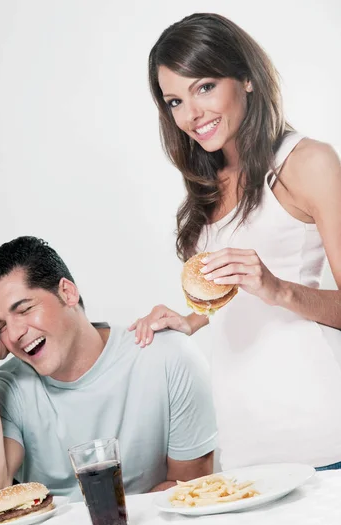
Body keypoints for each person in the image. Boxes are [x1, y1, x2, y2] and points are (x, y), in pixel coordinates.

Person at [130, 13, 341, 471]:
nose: (191, 114)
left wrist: (279, 289)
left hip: (320, 433)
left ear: (245, 78)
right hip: (244, 442)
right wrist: (191, 319)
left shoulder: (307, 162)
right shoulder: (207, 181)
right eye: (174, 101)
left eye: (204, 86)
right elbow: (238, 299)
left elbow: (273, 291)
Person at [0, 236, 217, 519]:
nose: (13, 335)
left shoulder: (167, 357)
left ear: (67, 292)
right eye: (0, 326)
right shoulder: (8, 386)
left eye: (24, 310)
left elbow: (189, 488)